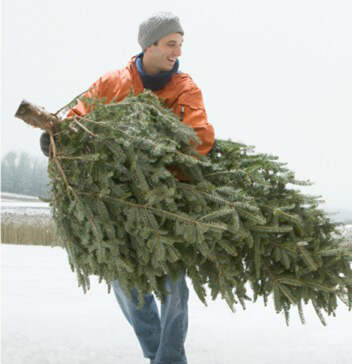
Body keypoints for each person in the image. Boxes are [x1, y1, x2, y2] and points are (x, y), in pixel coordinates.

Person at [39, 12, 214, 364]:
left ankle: (169, 359)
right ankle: (157, 355)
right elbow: (79, 116)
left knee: (174, 288)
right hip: (116, 203)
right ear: (149, 45)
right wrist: (55, 136)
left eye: (179, 45)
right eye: (170, 44)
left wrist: (164, 154)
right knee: (126, 283)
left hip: (167, 201)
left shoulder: (185, 88)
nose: (176, 52)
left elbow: (198, 135)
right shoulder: (111, 82)